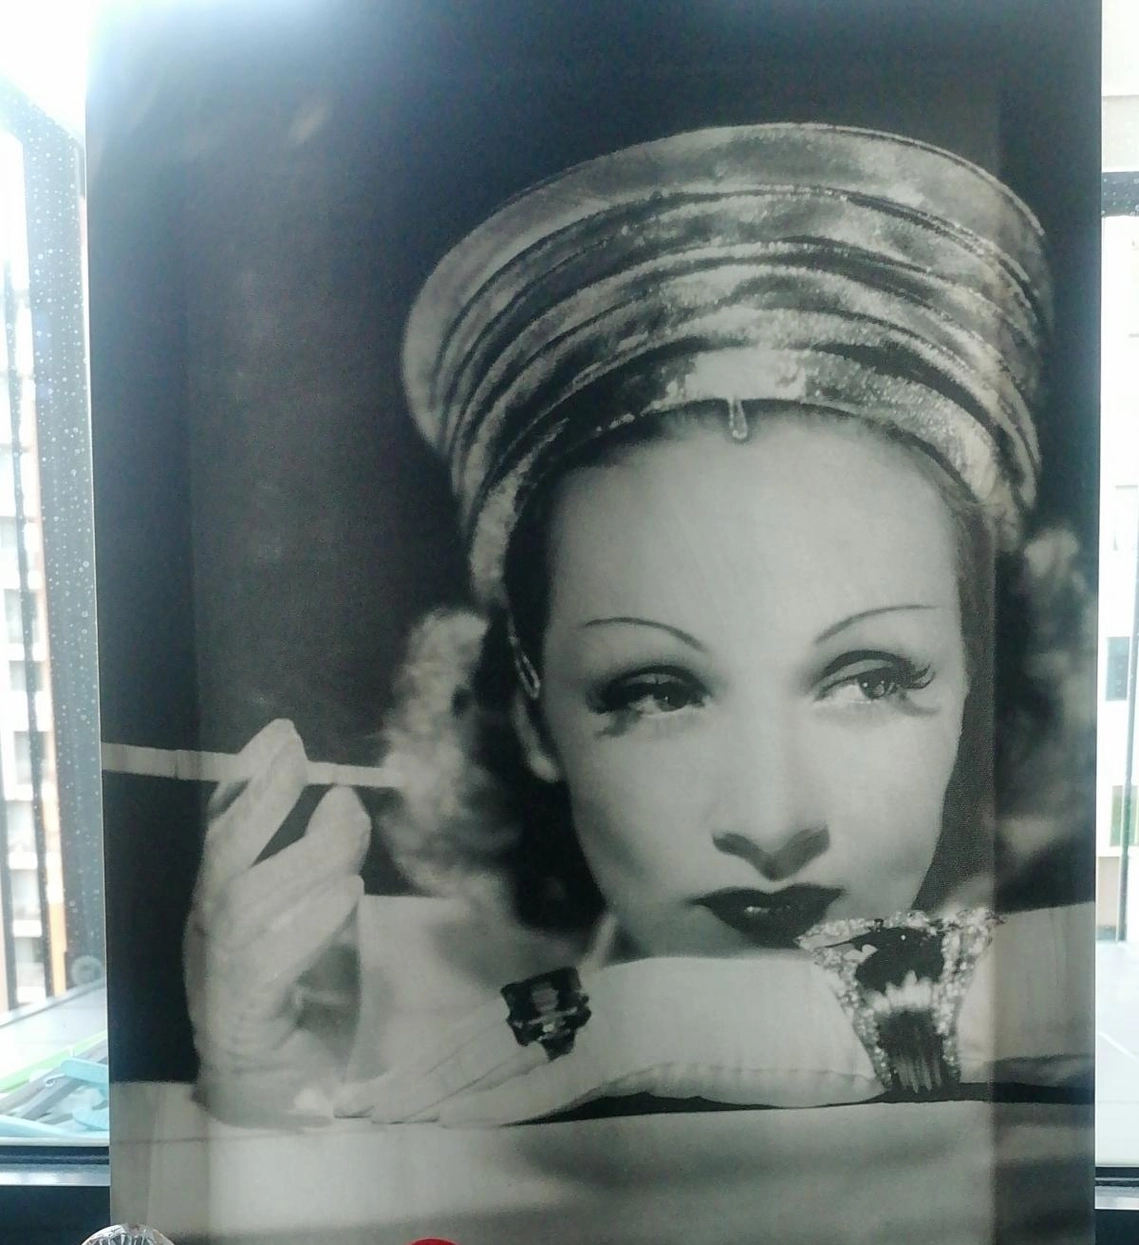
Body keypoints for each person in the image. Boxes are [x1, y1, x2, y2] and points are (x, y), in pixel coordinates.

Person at [184, 123, 1093, 1128]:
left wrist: (696, 1022)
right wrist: (261, 1096)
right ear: (529, 713)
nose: (770, 821)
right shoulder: (388, 1023)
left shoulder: (1067, 1040)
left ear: (977, 677)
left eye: (870, 677)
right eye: (656, 691)